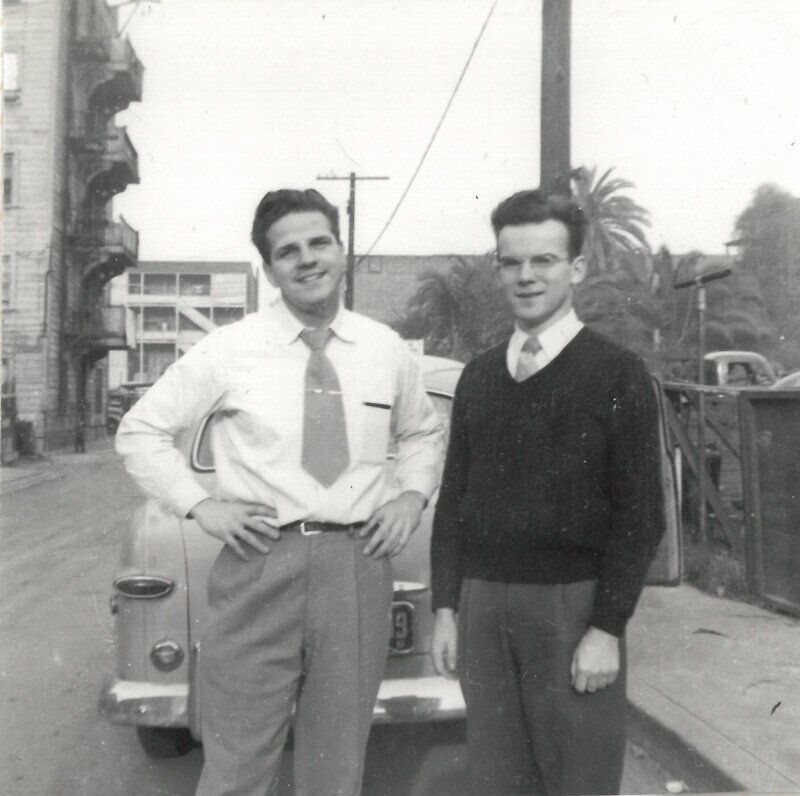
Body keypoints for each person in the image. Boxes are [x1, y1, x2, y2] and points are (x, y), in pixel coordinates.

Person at [116, 188, 445, 796]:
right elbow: (139, 430)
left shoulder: (384, 349)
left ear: (342, 250)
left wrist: (410, 497)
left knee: (337, 765)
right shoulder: (228, 350)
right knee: (238, 764)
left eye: (319, 242)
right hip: (260, 565)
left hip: (356, 566)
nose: (307, 259)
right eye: (288, 251)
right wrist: (202, 505)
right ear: (270, 270)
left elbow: (423, 430)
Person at [430, 189, 665, 796]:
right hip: (484, 609)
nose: (527, 276)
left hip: (572, 610)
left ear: (576, 268)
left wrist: (607, 627)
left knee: (577, 781)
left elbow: (641, 516)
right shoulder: (479, 376)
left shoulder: (617, 374)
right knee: (495, 781)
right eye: (513, 262)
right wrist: (447, 608)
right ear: (499, 267)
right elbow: (454, 498)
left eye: (545, 261)